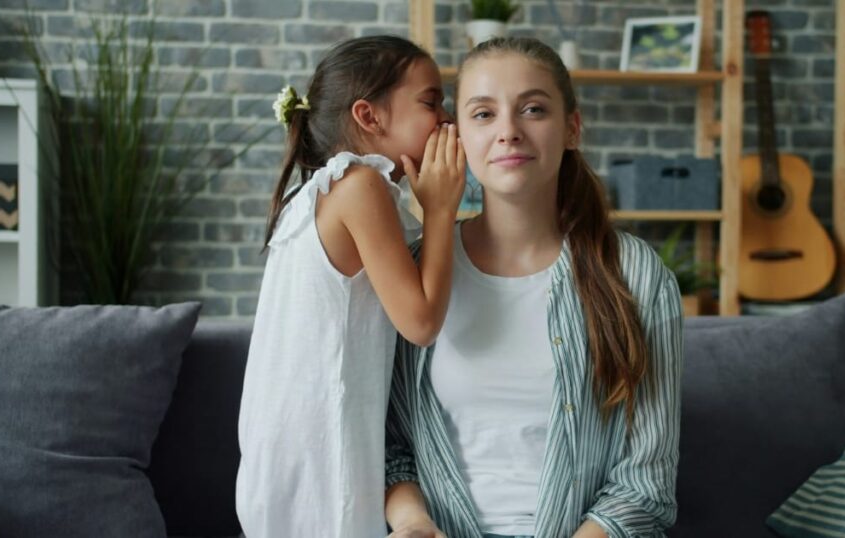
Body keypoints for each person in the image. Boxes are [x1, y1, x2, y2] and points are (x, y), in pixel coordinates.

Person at [384, 37, 684, 538]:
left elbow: (645, 484)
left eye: (533, 109)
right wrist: (413, 523)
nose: (508, 132)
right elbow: (390, 448)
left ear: (572, 128)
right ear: (454, 136)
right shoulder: (414, 273)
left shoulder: (633, 273)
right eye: (483, 114)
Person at [236, 35, 466, 538]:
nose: (447, 119)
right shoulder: (360, 186)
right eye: (431, 101)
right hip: (323, 457)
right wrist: (442, 211)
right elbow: (421, 321)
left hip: (282, 456)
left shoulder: (319, 190)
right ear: (369, 115)